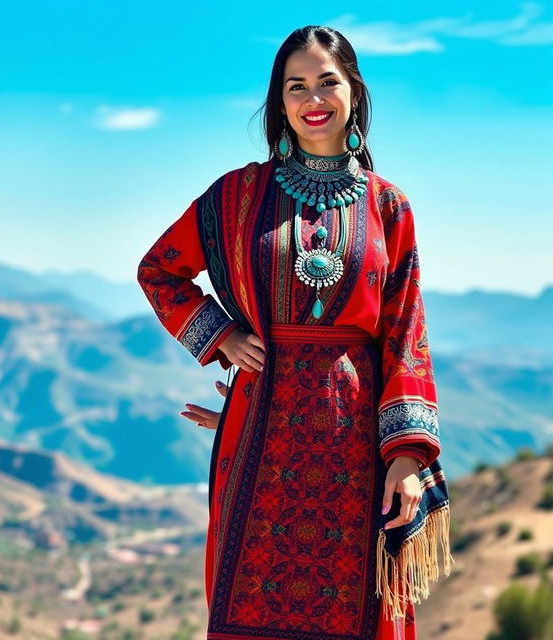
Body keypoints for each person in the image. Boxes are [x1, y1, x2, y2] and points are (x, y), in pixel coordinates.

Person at [137, 25, 453, 640]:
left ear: (353, 94)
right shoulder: (236, 195)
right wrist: (220, 337)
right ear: (278, 102)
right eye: (296, 85)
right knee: (248, 607)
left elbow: (405, 332)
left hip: (357, 440)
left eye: (328, 82)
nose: (313, 98)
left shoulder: (391, 208)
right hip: (260, 432)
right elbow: (158, 270)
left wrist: (408, 457)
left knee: (359, 607)